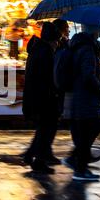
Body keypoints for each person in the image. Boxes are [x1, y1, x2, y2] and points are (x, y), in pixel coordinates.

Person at [62, 24, 100, 181]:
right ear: (93, 31)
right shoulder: (86, 49)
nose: (99, 35)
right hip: (86, 96)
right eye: (98, 31)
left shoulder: (77, 46)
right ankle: (80, 169)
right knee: (90, 129)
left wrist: (98, 58)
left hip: (78, 96)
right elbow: (87, 74)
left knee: (83, 131)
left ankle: (76, 160)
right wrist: (98, 87)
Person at [22, 22, 62, 174]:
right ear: (52, 39)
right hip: (44, 97)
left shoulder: (37, 49)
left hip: (37, 96)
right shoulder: (45, 53)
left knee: (43, 129)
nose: (57, 44)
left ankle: (30, 155)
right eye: (57, 41)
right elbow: (48, 77)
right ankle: (39, 162)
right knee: (46, 129)